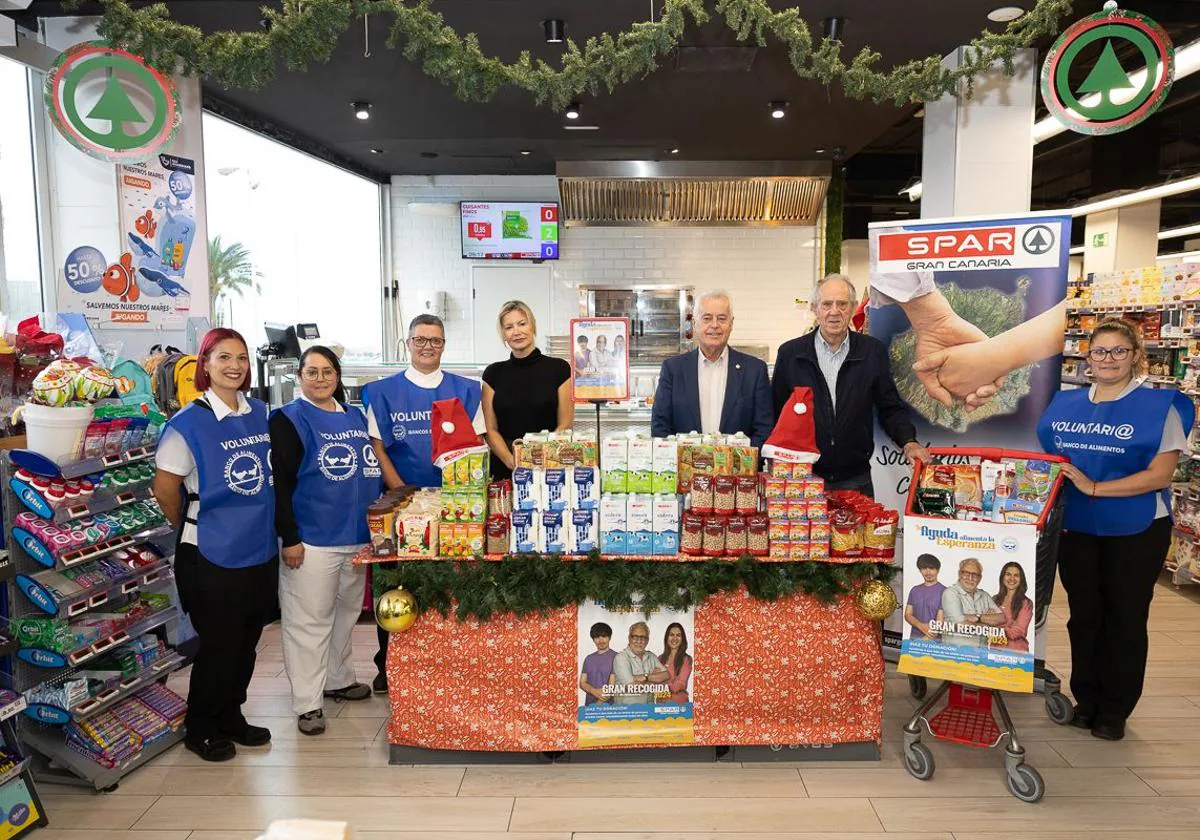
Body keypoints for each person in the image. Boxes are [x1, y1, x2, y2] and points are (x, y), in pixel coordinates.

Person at [1037, 318, 1194, 741]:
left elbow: (1161, 475)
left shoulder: (1161, 407)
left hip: (1137, 528)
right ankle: (1086, 699)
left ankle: (1115, 709)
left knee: (1124, 617)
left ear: (1136, 356)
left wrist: (1094, 487)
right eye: (1100, 351)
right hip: (1077, 527)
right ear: (1087, 358)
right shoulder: (1064, 404)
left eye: (1119, 351)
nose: (1108, 359)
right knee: (1084, 615)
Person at [152, 328, 277, 762]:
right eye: (224, 357)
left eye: (241, 358)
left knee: (247, 640)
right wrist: (196, 520)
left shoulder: (260, 412)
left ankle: (231, 715)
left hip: (258, 546)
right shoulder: (186, 423)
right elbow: (166, 488)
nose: (235, 366)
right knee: (219, 643)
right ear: (205, 364)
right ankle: (200, 725)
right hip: (209, 551)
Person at [361, 314, 484, 694]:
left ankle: (450, 660)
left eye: (435, 340)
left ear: (444, 344)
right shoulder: (381, 392)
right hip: (402, 506)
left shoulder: (467, 390)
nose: (427, 346)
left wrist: (457, 495)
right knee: (398, 585)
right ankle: (389, 664)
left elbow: (475, 445)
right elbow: (377, 445)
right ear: (408, 343)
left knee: (451, 586)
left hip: (453, 508)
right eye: (420, 339)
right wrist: (403, 494)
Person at [269, 346, 380, 736]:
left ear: (338, 375)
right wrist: (290, 537)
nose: (319, 378)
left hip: (355, 536)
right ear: (299, 375)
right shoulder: (287, 419)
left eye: (327, 371)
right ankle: (308, 703)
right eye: (311, 372)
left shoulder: (355, 415)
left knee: (345, 615)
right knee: (308, 622)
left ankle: (338, 678)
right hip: (312, 540)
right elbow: (280, 484)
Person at [771, 275, 930, 496]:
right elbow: (775, 414)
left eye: (842, 304)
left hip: (856, 481)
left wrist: (908, 441)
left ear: (853, 307)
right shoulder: (790, 354)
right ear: (815, 308)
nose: (834, 311)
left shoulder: (871, 352)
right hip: (804, 479)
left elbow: (889, 406)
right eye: (827, 304)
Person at [651, 290, 774, 449]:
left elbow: (764, 429)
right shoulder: (673, 369)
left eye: (721, 318)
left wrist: (740, 464)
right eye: (707, 318)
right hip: (685, 471)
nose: (714, 325)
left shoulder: (754, 371)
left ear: (731, 324)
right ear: (695, 324)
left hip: (737, 472)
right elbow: (660, 426)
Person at [482, 301, 572, 481]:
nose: (516, 332)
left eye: (522, 323)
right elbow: (490, 429)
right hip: (505, 469)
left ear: (532, 325)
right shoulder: (493, 373)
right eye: (509, 327)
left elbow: (565, 424)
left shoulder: (560, 369)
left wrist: (543, 458)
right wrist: (511, 461)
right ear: (503, 335)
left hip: (548, 467)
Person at [938, 558, 1004, 647]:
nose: (970, 578)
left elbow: (1002, 618)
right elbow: (960, 625)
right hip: (956, 654)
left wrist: (978, 617)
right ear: (959, 574)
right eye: (966, 573)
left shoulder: (984, 595)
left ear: (980, 578)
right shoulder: (950, 593)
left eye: (975, 575)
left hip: (981, 653)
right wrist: (987, 622)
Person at [611, 622, 669, 705]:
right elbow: (632, 687)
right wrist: (654, 680)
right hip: (627, 713)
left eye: (643, 637)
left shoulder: (651, 656)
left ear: (647, 640)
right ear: (629, 638)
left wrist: (645, 677)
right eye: (635, 637)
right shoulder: (621, 658)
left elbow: (666, 675)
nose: (639, 641)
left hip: (649, 711)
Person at [904, 553, 946, 641]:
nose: (928, 572)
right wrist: (920, 625)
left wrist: (921, 643)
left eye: (931, 568)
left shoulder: (945, 592)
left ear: (938, 570)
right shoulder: (915, 590)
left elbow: (940, 624)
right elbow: (908, 614)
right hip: (914, 641)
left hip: (934, 645)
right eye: (924, 568)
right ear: (920, 570)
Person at [994, 561, 1032, 653]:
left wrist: (997, 627)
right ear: (1002, 577)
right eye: (1008, 574)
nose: (1012, 578)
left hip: (1015, 652)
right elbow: (985, 625)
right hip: (993, 650)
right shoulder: (994, 599)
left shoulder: (1026, 603)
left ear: (1021, 579)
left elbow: (1017, 632)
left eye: (1016, 575)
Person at [579, 621, 616, 705]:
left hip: (610, 708)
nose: (601, 640)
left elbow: (611, 688)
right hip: (589, 706)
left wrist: (595, 708)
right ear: (593, 639)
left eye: (604, 636)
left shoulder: (617, 657)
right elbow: (582, 683)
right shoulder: (588, 659)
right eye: (597, 637)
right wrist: (594, 691)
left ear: (609, 637)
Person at [659, 622, 693, 703]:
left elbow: (678, 685)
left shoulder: (687, 659)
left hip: (679, 705)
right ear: (667, 638)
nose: (675, 638)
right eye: (671, 635)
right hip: (661, 706)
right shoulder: (659, 659)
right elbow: (654, 683)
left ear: (682, 639)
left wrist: (662, 683)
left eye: (678, 635)